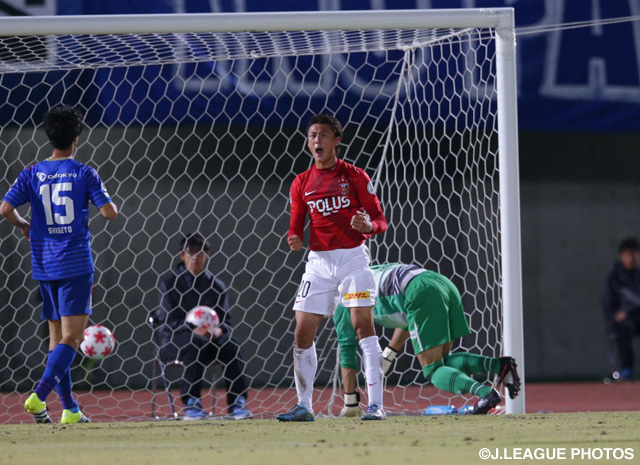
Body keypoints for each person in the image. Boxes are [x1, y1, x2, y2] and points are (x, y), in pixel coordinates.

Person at [0, 105, 118, 424]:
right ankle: (39, 396)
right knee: (74, 338)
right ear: (76, 138)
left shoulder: (31, 172)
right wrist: (101, 200)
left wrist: (24, 224)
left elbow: (5, 208)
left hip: (43, 263)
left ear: (49, 136)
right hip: (75, 264)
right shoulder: (84, 172)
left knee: (56, 339)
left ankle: (70, 410)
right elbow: (110, 213)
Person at [276, 114, 388, 422]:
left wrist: (369, 225)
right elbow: (295, 225)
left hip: (352, 258)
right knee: (301, 331)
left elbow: (381, 220)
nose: (316, 141)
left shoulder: (355, 176)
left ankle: (376, 405)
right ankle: (304, 406)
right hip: (319, 262)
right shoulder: (301, 182)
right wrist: (294, 238)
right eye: (312, 135)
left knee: (362, 326)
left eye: (323, 135)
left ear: (336, 141)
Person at [333, 263, 521, 416]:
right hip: (440, 283)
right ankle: (499, 366)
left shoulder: (344, 300)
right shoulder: (366, 272)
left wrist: (350, 401)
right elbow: (407, 317)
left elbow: (347, 350)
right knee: (443, 363)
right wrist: (389, 354)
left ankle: (486, 394)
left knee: (433, 370)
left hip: (420, 292)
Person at [153, 232, 252, 420]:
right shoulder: (170, 284)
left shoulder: (216, 285)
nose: (195, 258)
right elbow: (168, 321)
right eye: (190, 253)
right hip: (177, 341)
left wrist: (218, 330)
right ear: (182, 256)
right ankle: (192, 403)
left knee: (232, 345)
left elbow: (225, 321)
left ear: (207, 255)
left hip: (211, 341)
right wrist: (192, 328)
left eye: (200, 253)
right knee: (195, 342)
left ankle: (237, 403)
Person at [602, 237, 640, 381]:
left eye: (634, 254)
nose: (631, 258)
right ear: (622, 256)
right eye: (628, 254)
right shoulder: (614, 278)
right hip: (625, 320)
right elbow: (607, 303)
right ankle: (626, 369)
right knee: (621, 328)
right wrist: (615, 314)